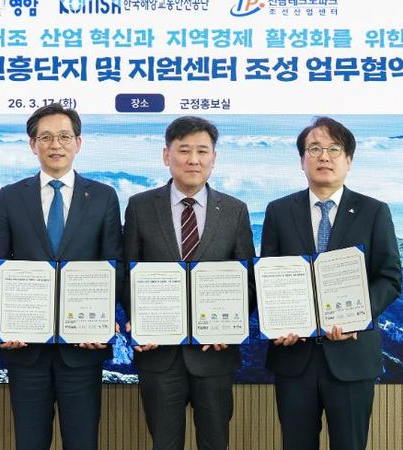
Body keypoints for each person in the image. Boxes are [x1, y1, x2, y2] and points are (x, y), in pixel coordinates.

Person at [0, 103, 123, 450]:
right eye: (45, 137)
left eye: (64, 136)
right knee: (30, 442)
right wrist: (7, 317)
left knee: (83, 441)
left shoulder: (104, 196)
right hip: (25, 347)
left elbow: (114, 263)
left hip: (83, 347)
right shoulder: (10, 196)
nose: (55, 145)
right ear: (33, 144)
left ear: (78, 143)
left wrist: (104, 319)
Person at [261, 116, 402, 450]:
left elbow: (389, 278)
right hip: (294, 358)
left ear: (348, 160)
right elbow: (268, 276)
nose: (324, 156)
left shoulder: (374, 211)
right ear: (302, 160)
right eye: (314, 149)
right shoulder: (279, 211)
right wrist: (277, 321)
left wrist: (357, 316)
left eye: (334, 149)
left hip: (351, 356)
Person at [123, 116, 255, 450]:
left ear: (214, 157)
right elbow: (127, 273)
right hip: (158, 354)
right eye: (184, 150)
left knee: (215, 442)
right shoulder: (140, 207)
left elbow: (248, 280)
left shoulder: (235, 211)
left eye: (202, 151)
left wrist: (232, 325)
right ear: (166, 155)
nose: (193, 160)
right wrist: (137, 320)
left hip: (215, 355)